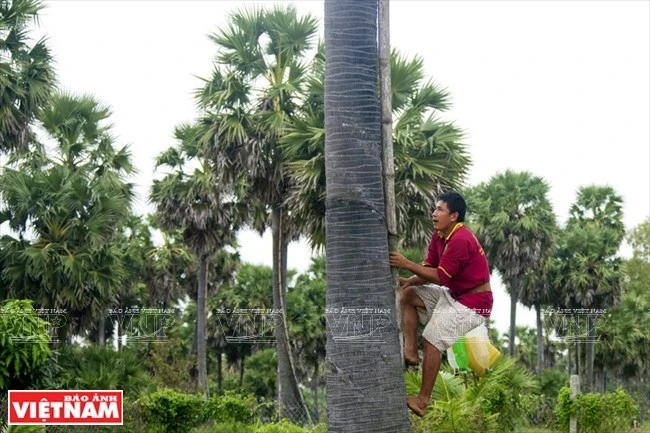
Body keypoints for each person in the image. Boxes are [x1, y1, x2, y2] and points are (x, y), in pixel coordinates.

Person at [389, 191, 493, 417]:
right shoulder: (439, 235)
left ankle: (422, 401)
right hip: (455, 295)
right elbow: (429, 271)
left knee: (432, 339)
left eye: (439, 210)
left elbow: (441, 277)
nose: (434, 214)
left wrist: (406, 263)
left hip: (475, 303)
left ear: (454, 216)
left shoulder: (461, 239)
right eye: (435, 209)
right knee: (407, 295)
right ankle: (410, 351)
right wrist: (411, 281)